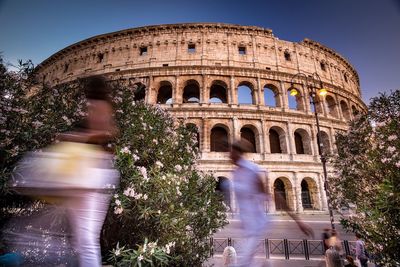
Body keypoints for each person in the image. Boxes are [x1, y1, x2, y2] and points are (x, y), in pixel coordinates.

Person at [58, 76, 119, 267]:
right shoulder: (103, 105)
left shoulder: (98, 105)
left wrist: (74, 137)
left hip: (90, 172)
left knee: (85, 238)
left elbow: (106, 132)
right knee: (84, 236)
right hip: (94, 171)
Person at [230, 139, 314, 266]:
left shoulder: (251, 170)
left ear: (238, 153)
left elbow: (272, 195)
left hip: (256, 225)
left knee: (242, 264)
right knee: (252, 262)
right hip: (247, 227)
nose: (228, 155)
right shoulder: (236, 172)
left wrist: (298, 221)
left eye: (231, 152)